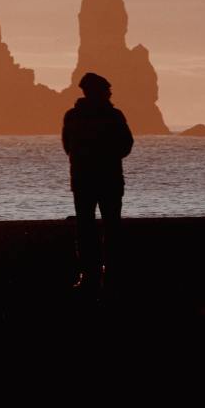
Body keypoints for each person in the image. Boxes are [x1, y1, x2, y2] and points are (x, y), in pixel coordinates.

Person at [62, 72, 134, 294]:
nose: (110, 93)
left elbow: (68, 147)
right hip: (109, 180)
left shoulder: (73, 116)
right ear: (98, 92)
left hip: (83, 180)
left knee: (86, 228)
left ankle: (89, 275)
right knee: (111, 227)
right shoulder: (113, 116)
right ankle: (110, 274)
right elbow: (126, 145)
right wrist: (107, 157)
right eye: (106, 90)